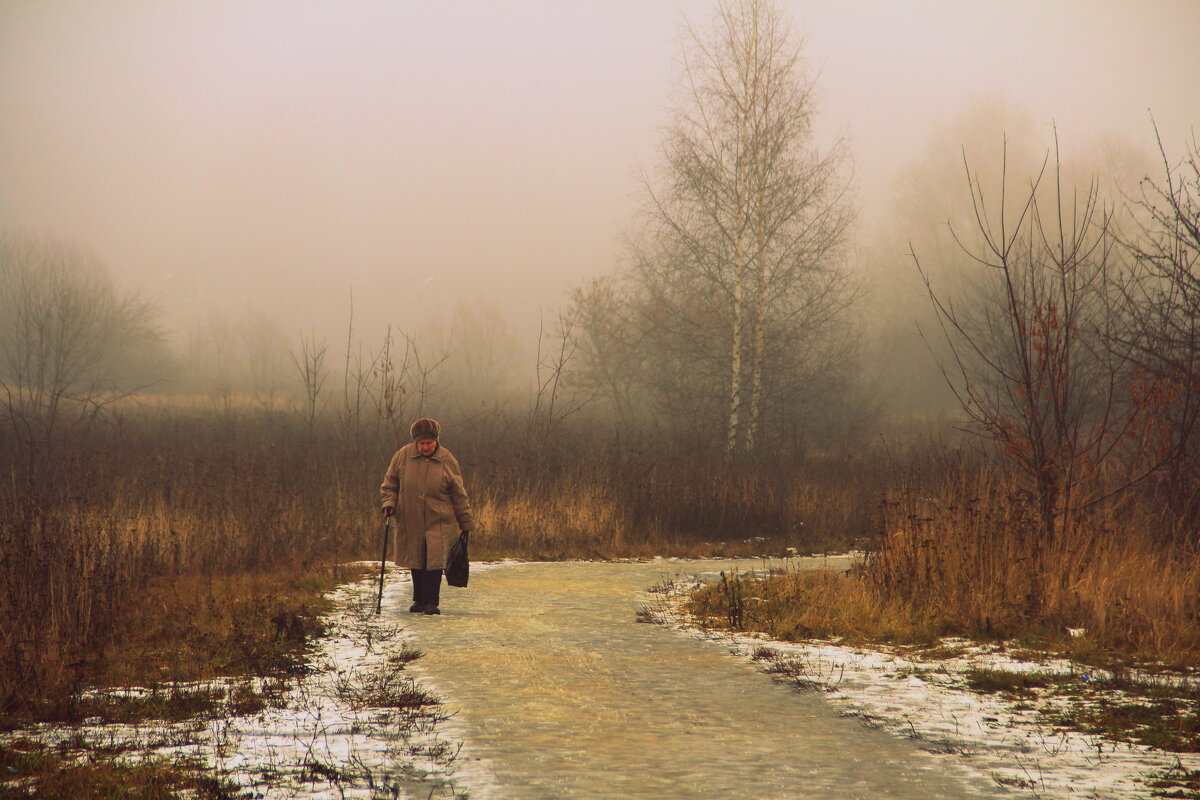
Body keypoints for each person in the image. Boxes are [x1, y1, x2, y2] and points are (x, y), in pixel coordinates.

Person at [379, 417, 476, 615]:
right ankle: (418, 600)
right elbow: (390, 484)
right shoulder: (402, 456)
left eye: (429, 443)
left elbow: (459, 492)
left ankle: (431, 601)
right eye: (421, 443)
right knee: (415, 559)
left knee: (434, 561)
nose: (425, 447)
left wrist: (465, 521)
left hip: (439, 519)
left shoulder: (447, 459)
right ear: (416, 442)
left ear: (436, 440)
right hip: (410, 518)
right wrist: (389, 504)